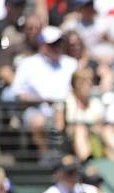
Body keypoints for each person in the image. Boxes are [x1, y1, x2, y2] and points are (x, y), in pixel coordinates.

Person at [11, 26, 78, 160]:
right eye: (52, 44)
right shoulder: (28, 63)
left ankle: (64, 156)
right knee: (38, 121)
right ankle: (47, 156)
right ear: (42, 45)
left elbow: (78, 89)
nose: (57, 47)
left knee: (70, 117)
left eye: (59, 43)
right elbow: (18, 93)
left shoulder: (71, 63)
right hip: (37, 108)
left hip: (67, 109)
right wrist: (42, 100)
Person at [65, 68, 114, 161]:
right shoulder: (67, 101)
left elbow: (100, 122)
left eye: (89, 83)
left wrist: (94, 128)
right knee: (80, 129)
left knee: (108, 130)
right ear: (75, 85)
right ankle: (87, 162)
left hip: (95, 134)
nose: (86, 86)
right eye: (82, 83)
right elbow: (63, 127)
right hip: (73, 136)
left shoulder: (95, 103)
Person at [61, 0, 114, 65]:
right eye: (86, 6)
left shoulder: (107, 21)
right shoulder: (72, 25)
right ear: (78, 9)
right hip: (86, 63)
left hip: (113, 63)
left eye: (91, 4)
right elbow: (61, 43)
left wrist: (110, 40)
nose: (90, 8)